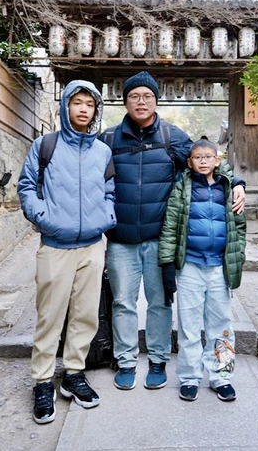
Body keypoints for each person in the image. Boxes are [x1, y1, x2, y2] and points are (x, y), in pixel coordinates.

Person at [100, 71, 245, 391]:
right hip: (121, 240)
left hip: (159, 239)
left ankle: (158, 359)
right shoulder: (109, 139)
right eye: (134, 96)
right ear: (125, 101)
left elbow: (204, 160)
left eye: (147, 96)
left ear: (156, 100)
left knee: (160, 302)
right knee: (123, 302)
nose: (141, 101)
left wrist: (237, 183)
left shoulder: (171, 136)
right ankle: (125, 361)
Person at [17, 80, 116, 424]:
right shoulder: (45, 145)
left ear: (96, 110)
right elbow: (27, 186)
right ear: (66, 107)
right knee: (50, 316)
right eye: (78, 102)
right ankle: (43, 381)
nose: (84, 109)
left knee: (86, 315)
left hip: (92, 245)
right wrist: (43, 217)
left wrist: (107, 216)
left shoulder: (102, 152)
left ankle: (74, 374)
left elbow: (110, 190)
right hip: (55, 246)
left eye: (90, 104)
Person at [158, 139, 246, 402]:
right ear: (190, 162)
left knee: (222, 324)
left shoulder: (228, 187)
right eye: (198, 157)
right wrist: (167, 264)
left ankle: (222, 376)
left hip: (219, 266)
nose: (204, 161)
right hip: (190, 266)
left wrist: (237, 255)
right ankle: (189, 377)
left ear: (218, 160)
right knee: (189, 324)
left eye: (209, 157)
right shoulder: (182, 187)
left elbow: (239, 227)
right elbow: (170, 227)